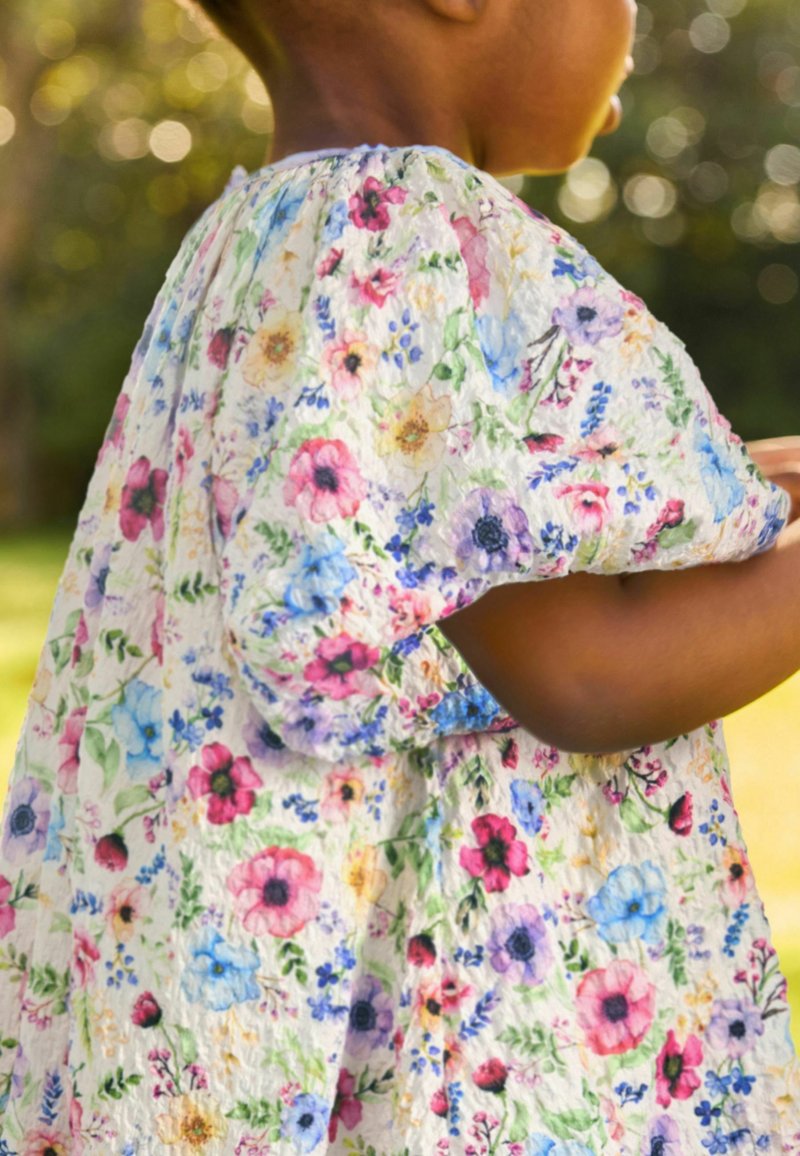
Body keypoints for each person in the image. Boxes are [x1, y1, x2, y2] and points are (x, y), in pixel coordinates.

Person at [1, 0, 799, 1151]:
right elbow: (590, 669)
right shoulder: (410, 233)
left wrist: (759, 479)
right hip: (472, 1045)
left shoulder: (267, 237)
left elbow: (493, 537)